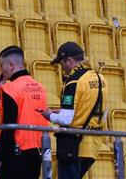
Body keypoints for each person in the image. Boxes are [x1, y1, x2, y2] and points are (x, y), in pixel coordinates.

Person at [38, 42, 105, 179]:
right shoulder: (101, 78)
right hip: (94, 144)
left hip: (74, 146)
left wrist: (49, 115)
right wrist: (62, 110)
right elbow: (92, 107)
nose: (62, 68)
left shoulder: (73, 81)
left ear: (69, 60)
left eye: (62, 63)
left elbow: (65, 119)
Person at [0, 46, 49, 179]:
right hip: (37, 150)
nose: (0, 69)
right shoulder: (40, 87)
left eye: (1, 65)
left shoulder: (10, 88)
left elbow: (9, 125)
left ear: (11, 65)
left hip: (15, 153)